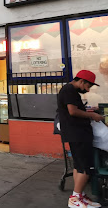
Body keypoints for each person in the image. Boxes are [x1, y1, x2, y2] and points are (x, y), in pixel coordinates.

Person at [57, 70, 104, 208]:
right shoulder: (69, 90)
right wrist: (92, 116)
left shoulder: (69, 90)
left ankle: (79, 195)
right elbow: (72, 111)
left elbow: (73, 109)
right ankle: (75, 199)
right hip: (78, 134)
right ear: (81, 81)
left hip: (75, 134)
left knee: (79, 166)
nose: (88, 89)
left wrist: (89, 111)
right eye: (87, 86)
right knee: (86, 167)